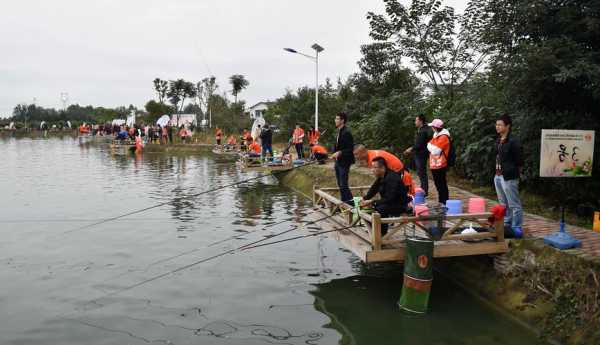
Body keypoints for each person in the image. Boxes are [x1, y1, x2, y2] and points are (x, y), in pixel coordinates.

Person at [359, 157, 410, 235]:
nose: (372, 170)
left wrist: (372, 202)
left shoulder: (392, 178)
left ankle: (381, 234)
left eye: (374, 167)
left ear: (382, 168)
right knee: (369, 208)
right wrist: (364, 199)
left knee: (380, 208)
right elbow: (374, 189)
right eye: (371, 167)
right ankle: (374, 230)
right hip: (389, 202)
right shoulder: (382, 176)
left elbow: (390, 198)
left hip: (399, 205)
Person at [494, 114, 523, 235]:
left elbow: (519, 160)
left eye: (500, 124)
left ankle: (516, 227)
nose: (497, 127)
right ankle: (506, 223)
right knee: (503, 203)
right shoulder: (498, 140)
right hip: (498, 175)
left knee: (514, 204)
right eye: (496, 124)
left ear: (508, 126)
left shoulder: (513, 141)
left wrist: (517, 173)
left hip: (509, 176)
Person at [404, 114, 432, 196]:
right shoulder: (422, 129)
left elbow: (419, 145)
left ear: (420, 121)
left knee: (422, 173)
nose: (415, 122)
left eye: (416, 120)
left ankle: (424, 191)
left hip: (421, 155)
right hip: (420, 154)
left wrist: (410, 149)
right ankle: (423, 189)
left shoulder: (423, 131)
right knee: (420, 172)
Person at [332, 112, 355, 205]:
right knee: (340, 185)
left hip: (345, 162)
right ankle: (344, 203)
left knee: (343, 185)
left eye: (337, 119)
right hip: (338, 162)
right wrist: (334, 153)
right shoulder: (339, 131)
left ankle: (352, 205)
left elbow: (350, 149)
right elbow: (338, 146)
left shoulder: (347, 133)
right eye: (335, 118)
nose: (335, 120)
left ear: (342, 120)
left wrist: (340, 152)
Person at [426, 118, 451, 205]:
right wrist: (431, 146)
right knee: (438, 184)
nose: (432, 128)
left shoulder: (443, 137)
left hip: (441, 164)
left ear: (435, 127)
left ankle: (444, 201)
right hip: (435, 164)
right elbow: (428, 144)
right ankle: (441, 201)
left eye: (432, 126)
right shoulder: (436, 135)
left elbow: (435, 151)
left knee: (442, 184)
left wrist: (431, 146)